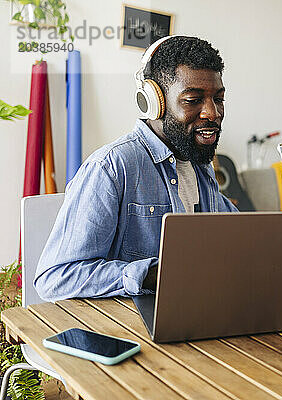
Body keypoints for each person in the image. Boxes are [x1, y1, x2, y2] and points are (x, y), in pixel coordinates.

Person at [35, 36, 237, 301]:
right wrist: (154, 274)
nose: (212, 112)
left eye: (218, 99)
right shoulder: (111, 167)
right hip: (128, 330)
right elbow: (56, 277)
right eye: (193, 100)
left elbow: (235, 240)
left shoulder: (200, 164)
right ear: (154, 102)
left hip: (193, 311)